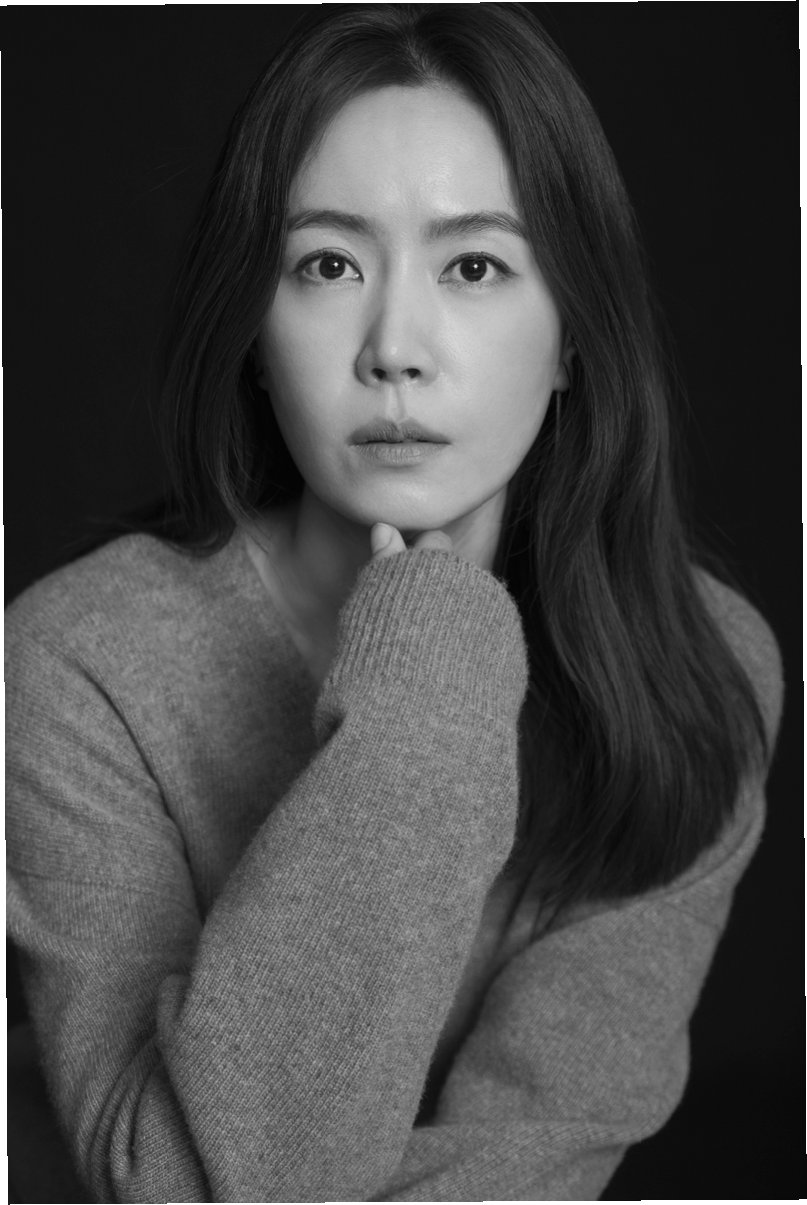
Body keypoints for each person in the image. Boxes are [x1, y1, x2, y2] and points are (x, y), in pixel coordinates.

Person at [5, 4, 784, 1202]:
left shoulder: (697, 671)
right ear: (253, 332)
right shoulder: (73, 670)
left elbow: (531, 1157)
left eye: (474, 266)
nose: (395, 348)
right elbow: (207, 1189)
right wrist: (422, 698)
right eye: (328, 265)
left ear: (573, 337)